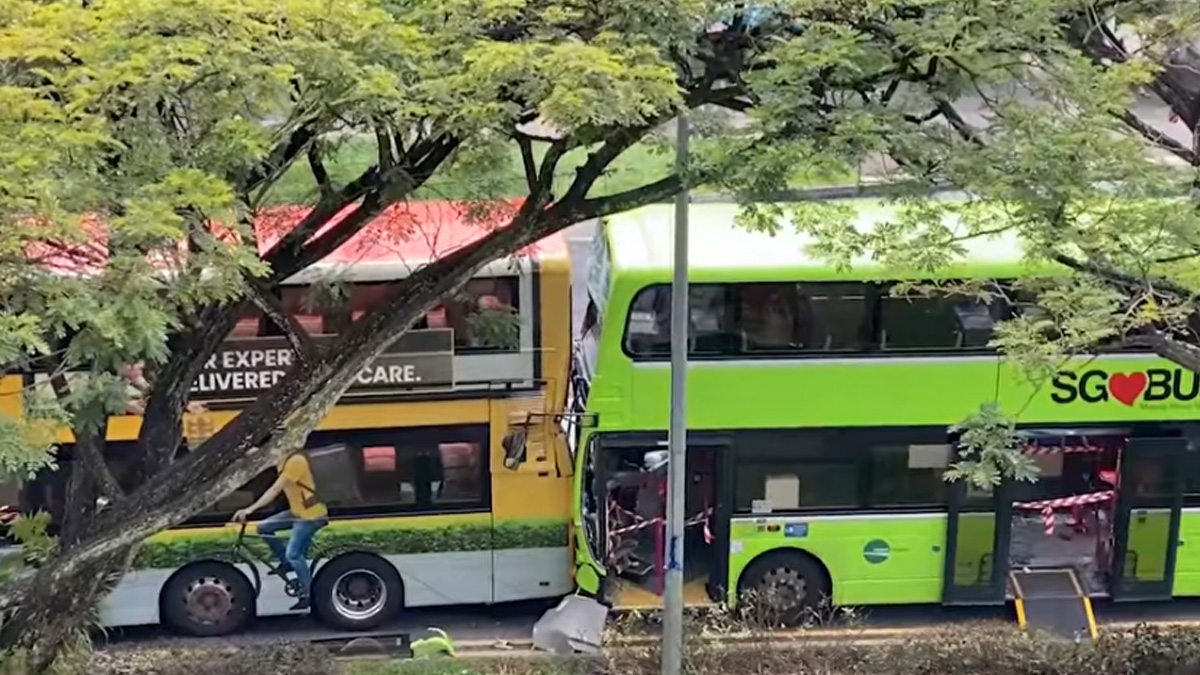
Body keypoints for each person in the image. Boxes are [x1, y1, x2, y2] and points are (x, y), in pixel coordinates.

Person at [232, 451, 329, 610]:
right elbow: (257, 452)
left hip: (311, 515)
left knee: (294, 554)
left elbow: (275, 489)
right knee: (263, 527)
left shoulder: (295, 462)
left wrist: (250, 509)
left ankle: (308, 595)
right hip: (297, 512)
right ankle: (286, 563)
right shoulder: (282, 461)